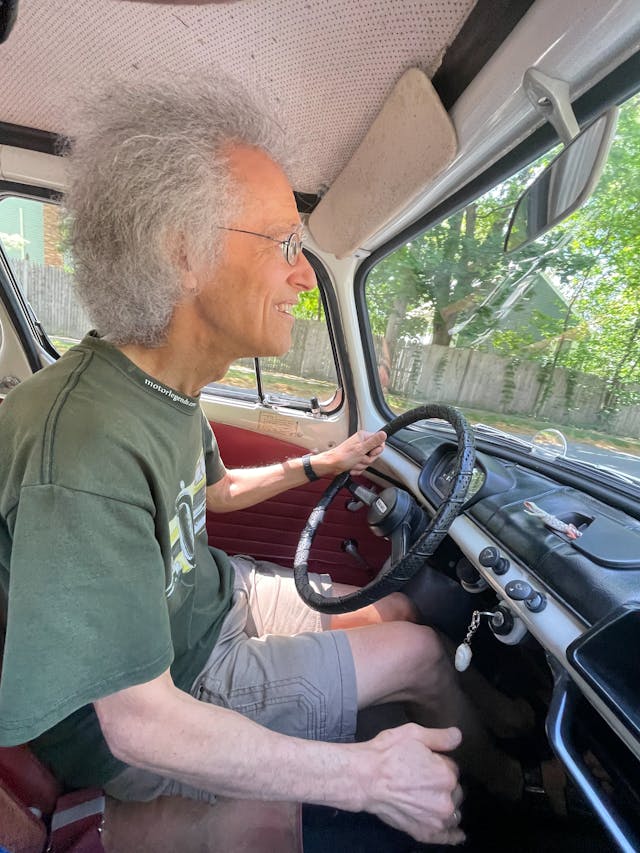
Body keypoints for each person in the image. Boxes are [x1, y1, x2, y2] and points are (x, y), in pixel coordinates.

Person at [0, 75, 518, 847]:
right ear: (182, 253)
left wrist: (325, 462)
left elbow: (217, 491)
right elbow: (138, 722)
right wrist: (368, 777)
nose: (303, 272)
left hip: (212, 608)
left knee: (397, 608)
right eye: (282, 242)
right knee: (418, 651)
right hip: (154, 701)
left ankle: (504, 734)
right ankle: (521, 798)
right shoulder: (83, 444)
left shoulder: (160, 388)